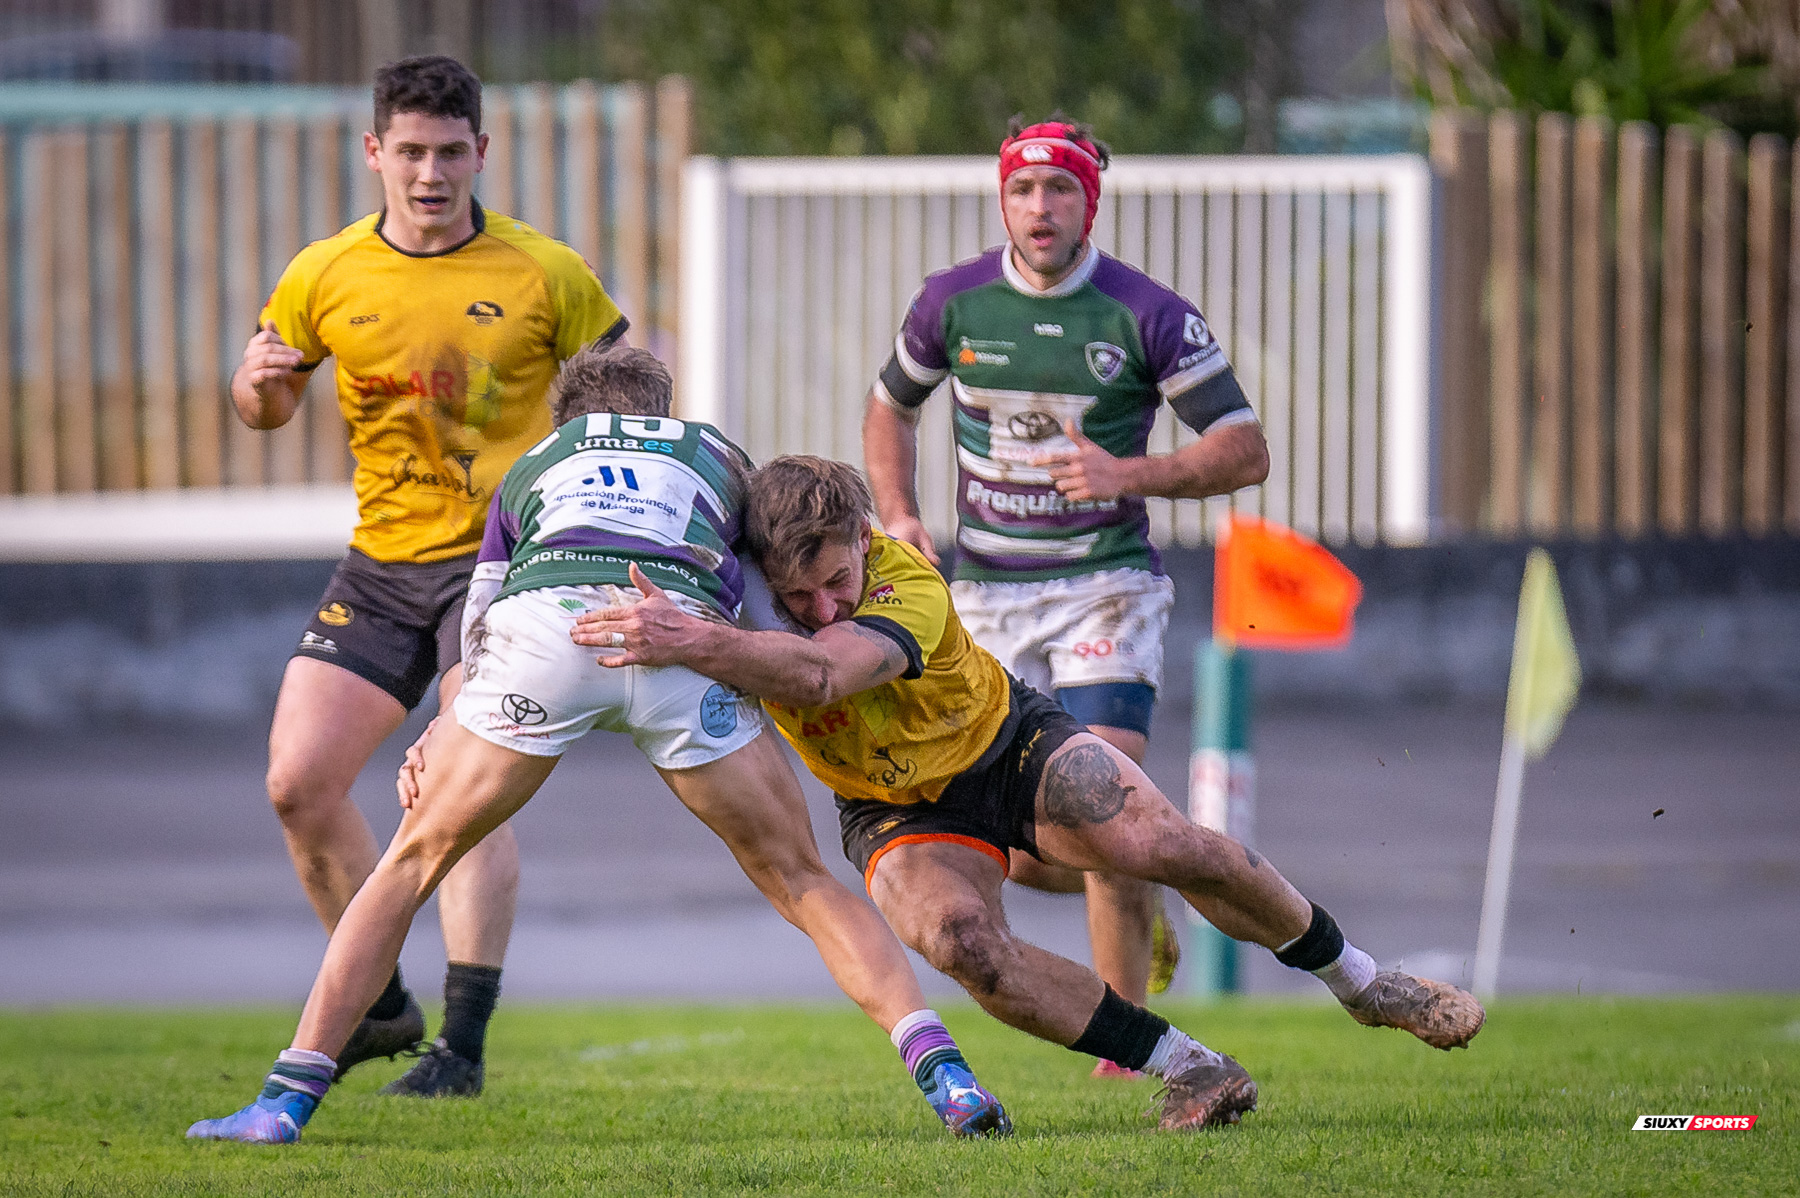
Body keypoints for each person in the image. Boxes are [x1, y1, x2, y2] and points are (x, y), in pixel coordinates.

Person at [188, 345, 1010, 1145]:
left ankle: (283, 1103)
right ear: (663, 414)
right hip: (678, 637)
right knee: (801, 879)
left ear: (566, 420)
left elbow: (479, 617)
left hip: (549, 637)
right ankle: (949, 1077)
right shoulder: (715, 454)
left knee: (407, 867)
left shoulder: (531, 464)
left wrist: (449, 724)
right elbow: (764, 596)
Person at [573, 456, 1484, 1130]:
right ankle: (1192, 1067)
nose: (822, 608)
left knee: (1162, 846)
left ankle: (1364, 983)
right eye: (797, 595)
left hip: (1006, 745)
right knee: (965, 948)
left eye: (837, 582)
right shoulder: (746, 592)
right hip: (891, 807)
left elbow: (819, 674)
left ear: (864, 540)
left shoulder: (903, 580)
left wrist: (693, 640)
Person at [229, 55, 628, 1097]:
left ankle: (462, 1041)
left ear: (481, 152)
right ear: (375, 152)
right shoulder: (326, 273)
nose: (430, 173)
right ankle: (380, 1005)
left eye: (450, 152)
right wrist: (254, 386)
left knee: (462, 781)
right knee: (297, 781)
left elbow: (631, 396)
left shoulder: (543, 272)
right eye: (410, 151)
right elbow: (267, 403)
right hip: (381, 564)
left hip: (504, 564)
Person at [861, 116, 1272, 1056]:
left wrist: (1130, 474)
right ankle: (1142, 886)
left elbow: (1245, 449)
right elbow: (890, 407)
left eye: (1059, 189)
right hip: (983, 599)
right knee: (1018, 846)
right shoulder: (953, 303)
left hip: (1104, 586)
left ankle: (1134, 1056)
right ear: (1001, 200)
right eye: (1022, 189)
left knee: (1104, 800)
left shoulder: (1147, 314)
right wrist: (899, 513)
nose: (1039, 207)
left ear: (1091, 201)